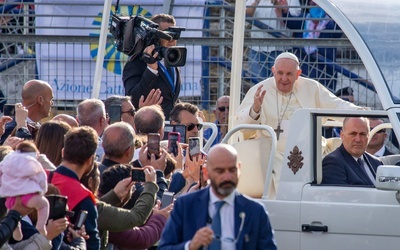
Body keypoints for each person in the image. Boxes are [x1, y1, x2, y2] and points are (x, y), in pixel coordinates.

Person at [235, 51, 363, 197]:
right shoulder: (259, 90)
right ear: (273, 71)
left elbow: (336, 105)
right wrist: (255, 108)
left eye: (289, 74)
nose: (284, 79)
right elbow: (241, 124)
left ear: (298, 73)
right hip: (274, 152)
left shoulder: (311, 88)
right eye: (280, 73)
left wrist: (358, 111)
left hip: (310, 151)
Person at [158, 144, 277, 249]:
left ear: (239, 169)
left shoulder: (255, 212)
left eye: (232, 170)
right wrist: (190, 246)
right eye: (220, 171)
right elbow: (164, 247)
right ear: (206, 172)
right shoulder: (185, 206)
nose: (227, 177)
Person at [48, 126, 100, 249]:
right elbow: (92, 244)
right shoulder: (84, 197)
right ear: (90, 160)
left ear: (63, 152)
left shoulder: (38, 178)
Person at [123, 14, 182, 120]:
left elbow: (171, 98)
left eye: (175, 34)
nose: (171, 39)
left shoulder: (173, 61)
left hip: (170, 128)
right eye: (167, 34)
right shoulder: (136, 63)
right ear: (154, 37)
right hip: (148, 126)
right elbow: (132, 99)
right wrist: (151, 69)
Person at [288, 0, 343, 91]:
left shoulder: (330, 24)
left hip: (325, 73)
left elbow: (339, 28)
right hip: (304, 70)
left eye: (319, 5)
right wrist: (283, 9)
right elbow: (289, 22)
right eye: (313, 4)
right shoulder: (303, 21)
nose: (316, 7)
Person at [0, 141, 49, 239]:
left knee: (11, 214)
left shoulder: (7, 161)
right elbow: (41, 177)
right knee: (44, 205)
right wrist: (42, 191)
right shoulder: (31, 162)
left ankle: (16, 229)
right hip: (28, 195)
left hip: (10, 198)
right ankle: (41, 225)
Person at [246, 0, 301, 82]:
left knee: (280, 85)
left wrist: (278, 5)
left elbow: (294, 23)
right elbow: (245, 15)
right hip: (257, 49)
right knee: (258, 85)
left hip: (281, 50)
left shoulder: (293, 1)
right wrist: (256, 1)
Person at [322, 117, 383, 186]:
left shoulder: (376, 163)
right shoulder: (333, 163)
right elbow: (340, 195)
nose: (358, 139)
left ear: (368, 136)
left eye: (362, 134)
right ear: (342, 135)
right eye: (353, 134)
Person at [0, 79, 54, 144]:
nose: (52, 103)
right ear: (40, 100)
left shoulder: (40, 127)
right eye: (50, 99)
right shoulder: (11, 128)